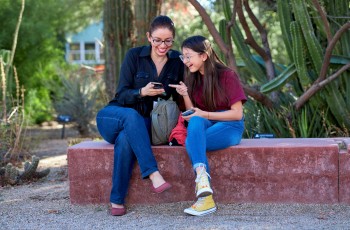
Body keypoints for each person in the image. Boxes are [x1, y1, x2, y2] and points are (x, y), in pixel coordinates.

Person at [96, 15, 184, 216]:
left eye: (168, 40)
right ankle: (153, 173)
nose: (163, 45)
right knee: (130, 117)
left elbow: (180, 94)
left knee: (127, 139)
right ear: (149, 37)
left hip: (144, 123)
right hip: (114, 116)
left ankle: (116, 200)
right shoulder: (134, 56)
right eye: (157, 40)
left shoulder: (177, 61)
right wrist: (142, 92)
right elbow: (121, 94)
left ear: (173, 39)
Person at [169, 35, 247, 216]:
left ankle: (205, 199)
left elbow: (237, 114)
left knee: (192, 142)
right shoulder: (193, 78)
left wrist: (205, 114)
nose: (185, 61)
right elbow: (192, 115)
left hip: (231, 126)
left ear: (204, 56)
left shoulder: (227, 76)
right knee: (195, 123)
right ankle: (202, 178)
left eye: (188, 56)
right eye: (183, 57)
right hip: (206, 123)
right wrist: (185, 94)